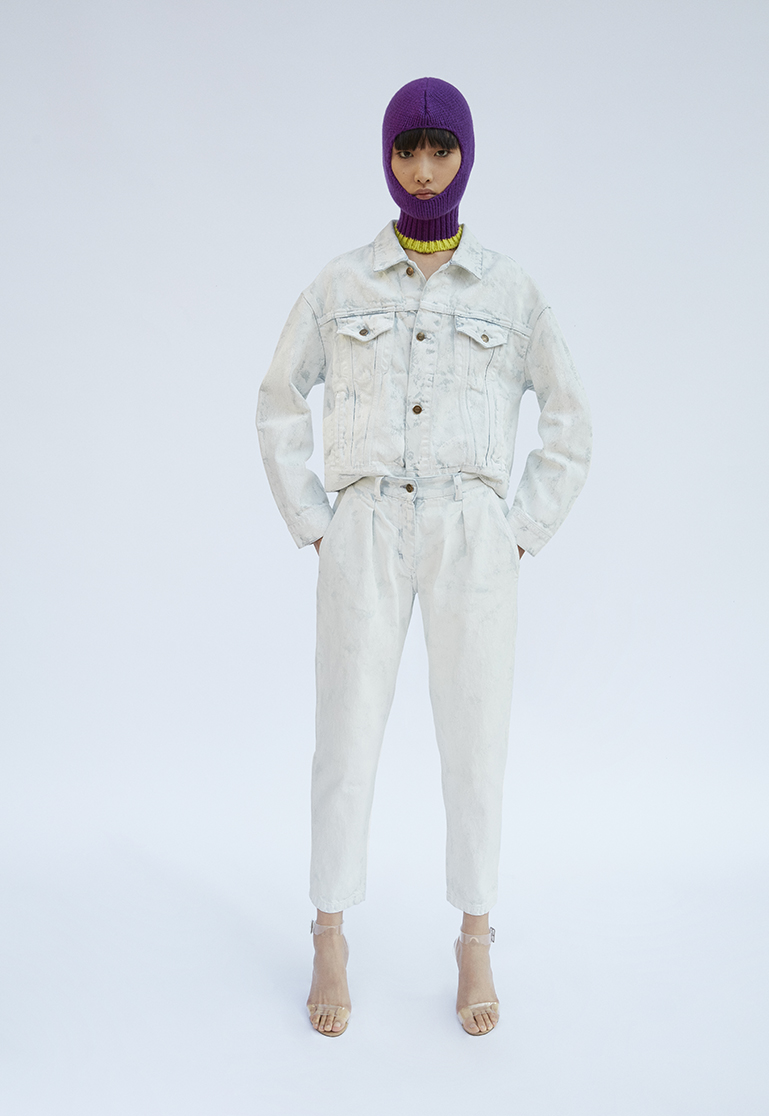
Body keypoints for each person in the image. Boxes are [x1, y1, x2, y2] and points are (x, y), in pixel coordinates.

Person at [256, 77, 591, 1037]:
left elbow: (570, 419)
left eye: (441, 149)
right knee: (346, 737)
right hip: (363, 527)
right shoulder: (340, 284)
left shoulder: (511, 291)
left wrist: (518, 527)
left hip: (470, 532)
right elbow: (279, 399)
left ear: (466, 157)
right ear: (388, 157)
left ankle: (475, 936)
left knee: (475, 743)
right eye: (408, 148)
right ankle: (329, 931)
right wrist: (316, 519)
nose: (424, 168)